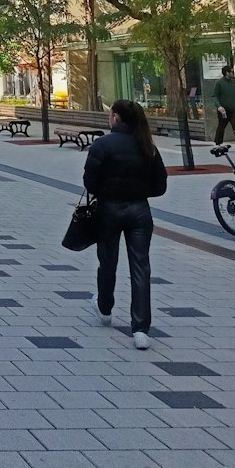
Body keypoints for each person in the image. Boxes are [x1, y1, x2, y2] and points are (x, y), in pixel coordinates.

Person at [84, 99, 167, 351]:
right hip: (140, 211)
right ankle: (141, 329)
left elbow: (90, 182)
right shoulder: (147, 146)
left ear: (117, 118)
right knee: (141, 266)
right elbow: (160, 185)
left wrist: (107, 191)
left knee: (108, 260)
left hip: (109, 209)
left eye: (111, 114)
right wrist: (139, 192)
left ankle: (105, 307)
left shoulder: (102, 145)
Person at [212, 65, 235, 152]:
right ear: (227, 73)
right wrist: (219, 106)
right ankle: (218, 143)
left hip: (234, 109)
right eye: (232, 72)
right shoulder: (219, 83)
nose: (233, 73)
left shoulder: (234, 82)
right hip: (224, 109)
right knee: (221, 127)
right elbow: (214, 96)